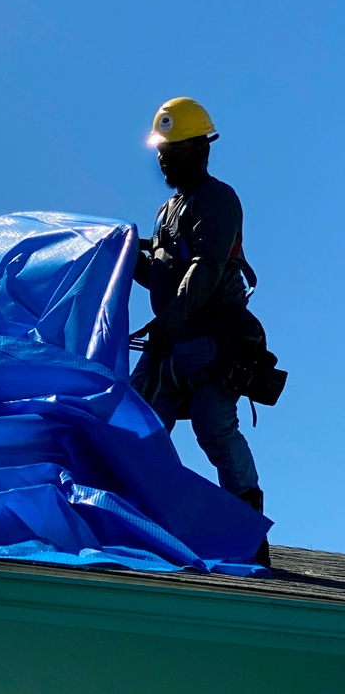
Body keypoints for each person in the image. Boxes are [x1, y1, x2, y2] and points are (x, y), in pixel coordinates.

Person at [130, 97, 269, 566]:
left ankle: (248, 531)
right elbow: (164, 273)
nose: (162, 157)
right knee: (138, 427)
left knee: (215, 428)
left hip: (208, 339)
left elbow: (205, 269)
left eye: (172, 148)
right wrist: (130, 261)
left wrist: (166, 326)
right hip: (170, 340)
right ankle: (142, 521)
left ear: (199, 147)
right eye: (160, 148)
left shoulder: (218, 200)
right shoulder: (167, 210)